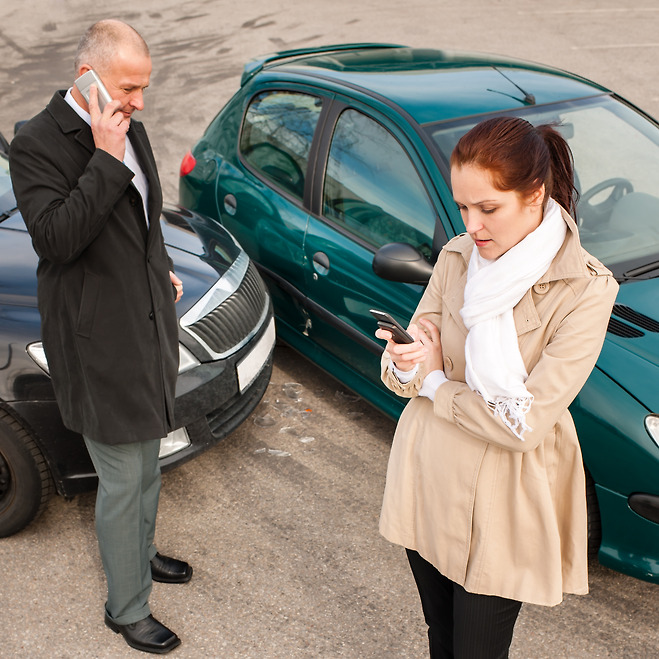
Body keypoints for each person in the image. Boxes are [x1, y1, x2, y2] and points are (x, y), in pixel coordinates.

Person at [376, 116, 619, 658]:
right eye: (463, 207)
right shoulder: (458, 256)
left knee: (479, 650)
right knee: (441, 637)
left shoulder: (586, 288)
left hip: (505, 496)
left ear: (535, 195)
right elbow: (400, 379)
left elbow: (524, 423)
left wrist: (435, 381)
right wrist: (404, 358)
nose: (472, 225)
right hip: (429, 472)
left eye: (488, 208)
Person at [9, 20, 190, 655]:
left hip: (144, 322)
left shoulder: (126, 124)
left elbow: (144, 215)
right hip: (96, 340)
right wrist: (106, 159)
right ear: (87, 77)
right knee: (123, 474)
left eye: (144, 88)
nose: (139, 101)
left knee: (150, 460)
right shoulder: (35, 143)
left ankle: (137, 557)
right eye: (129, 86)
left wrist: (156, 262)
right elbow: (56, 238)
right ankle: (127, 605)